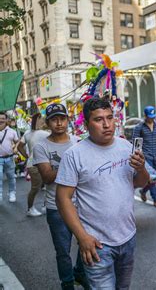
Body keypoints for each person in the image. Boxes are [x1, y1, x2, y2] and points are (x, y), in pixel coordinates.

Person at [55, 97, 149, 289]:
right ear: (87, 125)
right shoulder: (74, 155)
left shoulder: (126, 147)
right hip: (97, 244)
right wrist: (82, 237)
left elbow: (140, 183)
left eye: (110, 117)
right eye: (98, 119)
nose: (107, 124)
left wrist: (141, 168)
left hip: (128, 237)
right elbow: (62, 199)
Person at [33, 103, 89, 289]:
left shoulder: (79, 142)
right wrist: (71, 164)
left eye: (62, 118)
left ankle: (80, 273)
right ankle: (67, 283)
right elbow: (48, 177)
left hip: (81, 205)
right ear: (48, 123)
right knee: (63, 251)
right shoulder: (41, 146)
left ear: (68, 120)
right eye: (54, 119)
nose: (59, 123)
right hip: (56, 207)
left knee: (86, 243)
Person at [133, 106, 156, 208]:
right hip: (146, 156)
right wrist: (139, 157)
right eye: (150, 117)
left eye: (153, 116)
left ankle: (143, 191)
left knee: (155, 179)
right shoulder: (139, 127)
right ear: (145, 116)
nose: (152, 119)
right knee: (152, 177)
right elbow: (136, 144)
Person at [17, 113, 49, 216]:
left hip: (33, 163)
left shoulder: (27, 133)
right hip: (41, 163)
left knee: (39, 187)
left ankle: (40, 207)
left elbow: (19, 147)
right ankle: (31, 209)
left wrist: (27, 156)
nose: (43, 121)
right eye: (42, 119)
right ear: (38, 120)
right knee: (39, 187)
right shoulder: (45, 134)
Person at [0, 111, 19, 203]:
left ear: (6, 120)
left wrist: (16, 147)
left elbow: (18, 142)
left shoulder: (12, 131)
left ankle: (12, 192)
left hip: (9, 158)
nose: (1, 120)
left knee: (11, 177)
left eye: (3, 118)